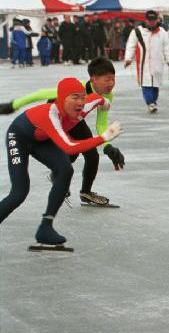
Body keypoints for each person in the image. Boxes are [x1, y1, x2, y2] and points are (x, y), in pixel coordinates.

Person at [0, 77, 124, 248]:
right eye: (74, 97)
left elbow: (99, 100)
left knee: (65, 169)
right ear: (62, 99)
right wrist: (103, 138)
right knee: (19, 192)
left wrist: (105, 103)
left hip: (41, 138)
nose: (80, 102)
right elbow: (69, 147)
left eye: (82, 97)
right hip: (19, 137)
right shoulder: (51, 114)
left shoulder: (86, 104)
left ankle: (45, 228)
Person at [0, 57, 126, 206]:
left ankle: (85, 192)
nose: (111, 84)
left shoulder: (107, 95)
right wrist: (14, 105)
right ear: (93, 80)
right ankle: (58, 173)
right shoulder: (76, 88)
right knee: (71, 152)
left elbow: (101, 123)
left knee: (92, 155)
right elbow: (41, 93)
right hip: (55, 116)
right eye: (107, 80)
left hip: (76, 118)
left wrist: (107, 147)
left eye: (113, 79)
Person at [124, 10, 169, 113]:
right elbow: (131, 46)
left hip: (157, 62)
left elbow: (166, 48)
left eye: (153, 20)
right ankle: (150, 103)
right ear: (145, 20)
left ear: (157, 20)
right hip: (144, 63)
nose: (151, 22)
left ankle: (153, 102)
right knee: (146, 83)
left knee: (155, 84)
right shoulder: (137, 31)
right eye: (149, 20)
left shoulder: (162, 32)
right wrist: (128, 59)